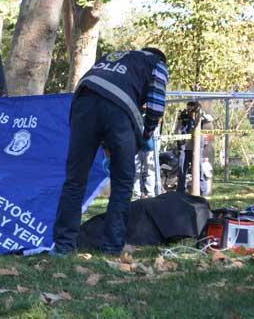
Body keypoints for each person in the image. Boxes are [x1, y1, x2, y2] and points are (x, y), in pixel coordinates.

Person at [52, 48, 168, 256]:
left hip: (82, 101)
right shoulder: (156, 62)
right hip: (119, 109)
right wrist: (146, 135)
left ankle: (63, 246)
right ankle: (112, 247)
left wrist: (106, 147)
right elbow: (156, 106)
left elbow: (101, 105)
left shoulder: (118, 57)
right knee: (123, 183)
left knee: (75, 180)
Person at [175, 102, 207, 196]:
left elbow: (209, 119)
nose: (189, 111)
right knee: (182, 170)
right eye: (188, 108)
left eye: (192, 109)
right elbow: (178, 129)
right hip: (184, 148)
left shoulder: (200, 116)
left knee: (199, 169)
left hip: (196, 149)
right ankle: (180, 192)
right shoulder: (184, 117)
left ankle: (203, 191)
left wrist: (199, 113)